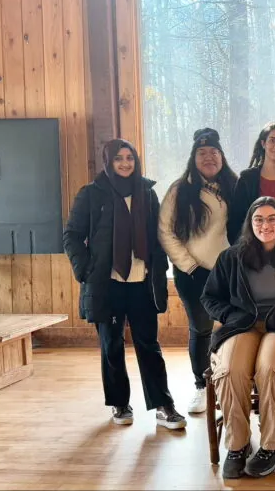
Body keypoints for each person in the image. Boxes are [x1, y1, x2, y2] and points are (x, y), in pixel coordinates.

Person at [63, 139, 185, 429]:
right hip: (108, 284)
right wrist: (85, 270)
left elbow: (158, 236)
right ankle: (119, 403)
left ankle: (163, 404)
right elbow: (72, 236)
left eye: (130, 157)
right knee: (111, 344)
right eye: (119, 158)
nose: (125, 163)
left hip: (142, 282)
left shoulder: (147, 193)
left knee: (149, 344)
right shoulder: (91, 195)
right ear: (108, 161)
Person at [201, 197, 275, 479]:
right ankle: (237, 445)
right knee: (229, 369)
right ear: (250, 224)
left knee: (272, 366)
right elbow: (209, 297)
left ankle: (273, 445)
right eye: (259, 219)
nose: (266, 224)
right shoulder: (232, 257)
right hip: (244, 326)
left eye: (272, 218)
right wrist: (230, 316)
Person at [158, 128, 238, 414]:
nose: (209, 157)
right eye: (202, 153)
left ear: (222, 157)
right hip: (192, 271)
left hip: (229, 271)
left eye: (214, 152)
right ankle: (203, 387)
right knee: (201, 329)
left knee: (235, 327)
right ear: (193, 158)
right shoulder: (179, 190)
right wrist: (188, 264)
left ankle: (231, 384)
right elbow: (165, 231)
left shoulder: (234, 185)